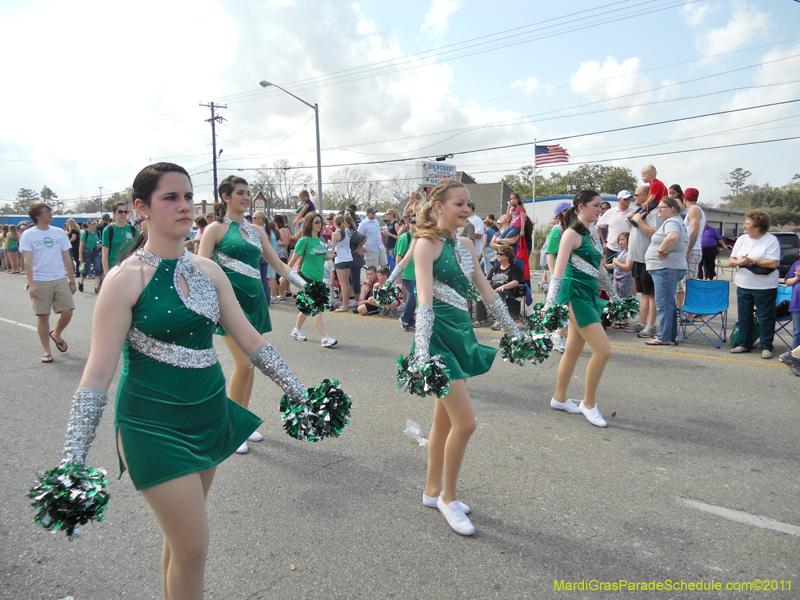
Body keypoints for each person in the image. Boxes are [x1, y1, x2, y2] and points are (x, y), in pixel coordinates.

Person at [59, 162, 318, 600]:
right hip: (151, 425)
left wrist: (300, 393)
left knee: (181, 543)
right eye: (170, 198)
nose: (183, 206)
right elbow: (97, 374)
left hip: (208, 414)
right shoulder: (124, 280)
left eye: (187, 197)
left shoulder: (209, 271)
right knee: (194, 547)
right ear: (142, 208)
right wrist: (73, 458)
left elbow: (252, 342)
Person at [411, 179, 520, 536]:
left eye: (469, 204)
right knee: (466, 423)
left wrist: (516, 332)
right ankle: (448, 497)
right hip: (438, 339)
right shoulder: (425, 245)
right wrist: (423, 351)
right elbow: (424, 300)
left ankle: (432, 490)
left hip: (461, 334)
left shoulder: (466, 244)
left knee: (444, 421)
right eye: (459, 203)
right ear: (438, 205)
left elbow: (486, 293)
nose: (466, 209)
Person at [199, 176, 307, 453]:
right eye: (240, 193)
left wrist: (308, 287)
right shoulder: (214, 229)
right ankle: (231, 429)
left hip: (254, 301)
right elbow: (200, 269)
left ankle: (242, 422)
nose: (246, 198)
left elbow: (279, 265)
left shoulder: (257, 231)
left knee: (253, 363)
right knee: (244, 364)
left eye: (248, 193)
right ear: (225, 196)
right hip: (228, 304)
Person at [543, 190, 614, 428]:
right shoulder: (569, 234)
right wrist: (550, 304)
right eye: (596, 206)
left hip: (589, 294)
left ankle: (559, 398)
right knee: (603, 350)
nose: (600, 210)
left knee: (573, 349)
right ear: (581, 207)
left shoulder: (592, 234)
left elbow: (600, 270)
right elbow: (558, 273)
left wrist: (616, 297)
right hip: (574, 295)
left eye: (601, 206)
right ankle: (589, 404)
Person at [19, 203, 76, 363]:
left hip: (59, 278)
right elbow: (28, 262)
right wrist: (31, 284)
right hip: (39, 279)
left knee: (68, 311)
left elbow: (67, 258)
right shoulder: (28, 235)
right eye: (47, 212)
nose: (51, 213)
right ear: (38, 216)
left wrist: (72, 281)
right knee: (43, 316)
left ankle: (56, 334)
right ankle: (46, 350)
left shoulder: (59, 233)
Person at [728, 210, 781, 359]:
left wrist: (752, 260)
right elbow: (731, 260)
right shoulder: (742, 239)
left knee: (765, 317)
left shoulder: (771, 240)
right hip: (744, 284)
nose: (744, 226)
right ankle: (744, 344)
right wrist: (738, 262)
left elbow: (773, 263)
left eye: (747, 223)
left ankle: (766, 346)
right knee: (744, 316)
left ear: (758, 226)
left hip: (765, 286)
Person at [288, 212, 337, 347]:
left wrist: (329, 255)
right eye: (316, 222)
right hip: (306, 278)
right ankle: (324, 337)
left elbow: (324, 256)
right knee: (316, 307)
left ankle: (296, 330)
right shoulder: (304, 240)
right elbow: (293, 260)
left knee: (307, 306)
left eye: (320, 222)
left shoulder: (321, 240)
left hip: (319, 279)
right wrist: (283, 275)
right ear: (309, 223)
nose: (319, 224)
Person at [643, 197, 687, 345]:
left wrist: (661, 250)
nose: (659, 210)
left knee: (663, 303)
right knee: (668, 302)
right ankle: (670, 334)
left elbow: (673, 237)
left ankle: (664, 337)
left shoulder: (672, 222)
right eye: (658, 207)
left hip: (666, 268)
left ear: (672, 209)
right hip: (667, 268)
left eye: (662, 207)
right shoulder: (673, 221)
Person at [625, 184, 662, 338]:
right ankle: (641, 322)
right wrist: (631, 219)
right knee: (643, 294)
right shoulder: (641, 212)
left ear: (647, 196)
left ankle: (651, 325)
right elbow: (636, 230)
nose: (634, 198)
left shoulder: (653, 212)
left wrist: (638, 220)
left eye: (637, 195)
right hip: (638, 258)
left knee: (651, 294)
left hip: (649, 260)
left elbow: (653, 234)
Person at [544, 201, 572, 352]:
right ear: (563, 213)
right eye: (569, 210)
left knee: (565, 306)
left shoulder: (570, 229)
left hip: (569, 273)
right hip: (560, 274)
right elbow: (550, 254)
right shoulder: (557, 230)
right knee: (560, 306)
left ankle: (558, 335)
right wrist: (555, 276)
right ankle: (556, 336)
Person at [675, 187, 705, 318]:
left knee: (689, 283)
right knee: (680, 284)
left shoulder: (693, 210)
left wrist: (688, 250)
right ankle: (681, 309)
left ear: (684, 198)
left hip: (692, 250)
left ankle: (690, 314)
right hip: (687, 249)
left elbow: (694, 231)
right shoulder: (696, 210)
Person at [484, 245, 523, 330]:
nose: (498, 255)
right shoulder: (494, 269)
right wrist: (484, 287)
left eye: (501, 254)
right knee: (481, 293)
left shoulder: (514, 268)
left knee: (499, 293)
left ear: (508, 256)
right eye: (497, 253)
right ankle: (482, 319)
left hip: (508, 291)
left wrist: (504, 286)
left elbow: (515, 282)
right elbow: (488, 281)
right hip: (493, 290)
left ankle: (500, 321)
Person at [102, 202, 140, 285]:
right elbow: (104, 254)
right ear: (114, 213)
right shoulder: (108, 230)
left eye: (125, 212)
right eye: (120, 212)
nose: (123, 214)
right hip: (114, 269)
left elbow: (140, 250)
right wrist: (106, 274)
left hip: (131, 269)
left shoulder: (133, 229)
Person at [596, 190, 634, 263]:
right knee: (610, 272)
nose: (628, 201)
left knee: (627, 272)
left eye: (629, 199)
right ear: (619, 200)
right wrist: (603, 242)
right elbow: (598, 227)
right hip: (612, 248)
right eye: (625, 199)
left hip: (629, 249)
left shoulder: (634, 212)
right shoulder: (610, 212)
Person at [395, 213, 417, 331]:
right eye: (413, 222)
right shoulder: (405, 237)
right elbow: (399, 256)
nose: (415, 224)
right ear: (408, 223)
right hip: (408, 273)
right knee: (413, 295)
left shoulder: (422, 237)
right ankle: (405, 317)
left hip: (420, 273)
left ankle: (411, 320)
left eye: (418, 222)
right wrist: (398, 273)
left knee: (418, 297)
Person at [331, 214, 354, 313]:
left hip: (340, 259)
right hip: (348, 258)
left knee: (343, 283)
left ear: (334, 223)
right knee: (346, 282)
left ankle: (345, 305)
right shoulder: (347, 231)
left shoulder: (335, 234)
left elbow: (332, 249)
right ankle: (346, 303)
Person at [611, 231, 634, 328]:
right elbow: (614, 265)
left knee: (625, 298)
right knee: (618, 298)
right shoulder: (620, 252)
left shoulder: (629, 253)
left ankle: (624, 321)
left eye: (622, 239)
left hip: (625, 278)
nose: (620, 242)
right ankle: (620, 319)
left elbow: (628, 267)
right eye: (619, 240)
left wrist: (616, 262)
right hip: (617, 278)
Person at [77, 219, 102, 292]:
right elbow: (81, 246)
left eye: (95, 223)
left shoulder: (98, 232)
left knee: (98, 269)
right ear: (88, 224)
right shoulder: (85, 233)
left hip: (96, 252)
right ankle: (81, 283)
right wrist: (80, 256)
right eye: (92, 223)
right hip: (87, 252)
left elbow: (100, 241)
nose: (94, 225)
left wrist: (100, 245)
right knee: (85, 269)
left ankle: (97, 287)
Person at [273, 214, 292, 300]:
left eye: (273, 221)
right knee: (277, 275)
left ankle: (282, 295)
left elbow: (286, 242)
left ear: (276, 222)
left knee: (280, 275)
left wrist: (275, 244)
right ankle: (281, 294)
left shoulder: (282, 230)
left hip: (282, 255)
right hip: (277, 255)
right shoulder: (276, 230)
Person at [784, 260, 800, 351]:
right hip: (797, 302)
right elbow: (788, 281)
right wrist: (797, 278)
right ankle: (795, 354)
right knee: (797, 330)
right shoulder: (797, 264)